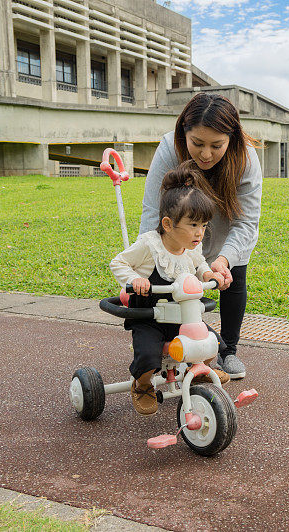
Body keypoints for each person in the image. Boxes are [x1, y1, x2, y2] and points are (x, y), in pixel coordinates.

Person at [139, 92, 262, 381]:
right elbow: (152, 209)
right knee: (168, 285)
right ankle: (167, 346)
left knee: (232, 278)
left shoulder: (246, 157)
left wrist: (223, 259)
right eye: (197, 144)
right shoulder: (170, 147)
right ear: (184, 133)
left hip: (226, 230)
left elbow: (246, 222)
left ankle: (228, 350)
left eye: (216, 145)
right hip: (177, 230)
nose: (206, 154)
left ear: (231, 138)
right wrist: (152, 255)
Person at [110, 161, 227, 416]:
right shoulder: (150, 246)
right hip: (149, 318)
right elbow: (117, 262)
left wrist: (209, 274)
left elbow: (199, 265)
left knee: (210, 341)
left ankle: (199, 372)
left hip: (183, 316)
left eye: (204, 226)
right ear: (167, 224)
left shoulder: (191, 247)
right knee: (148, 356)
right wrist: (134, 280)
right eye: (193, 225)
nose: (200, 233)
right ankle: (141, 385)